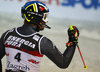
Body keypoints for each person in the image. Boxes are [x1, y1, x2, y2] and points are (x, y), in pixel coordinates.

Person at [0, 1, 79, 72]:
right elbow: (63, 63)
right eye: (44, 17)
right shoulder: (41, 42)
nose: (46, 21)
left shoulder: (7, 34)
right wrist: (72, 41)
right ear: (36, 18)